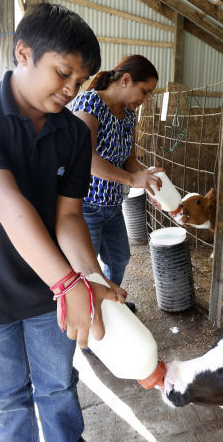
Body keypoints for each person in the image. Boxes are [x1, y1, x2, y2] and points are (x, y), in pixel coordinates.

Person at [0, 4, 125, 441]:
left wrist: (90, 274)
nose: (70, 91)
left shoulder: (74, 133)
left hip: (48, 298)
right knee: (7, 398)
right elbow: (6, 203)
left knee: (58, 388)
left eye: (78, 82)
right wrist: (69, 284)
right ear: (23, 53)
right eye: (63, 73)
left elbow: (69, 216)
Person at [70, 55, 163, 312]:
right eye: (144, 91)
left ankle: (109, 305)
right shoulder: (89, 103)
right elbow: (86, 158)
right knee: (88, 269)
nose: (145, 99)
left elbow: (130, 160)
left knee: (119, 258)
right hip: (85, 205)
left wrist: (147, 180)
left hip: (112, 204)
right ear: (125, 80)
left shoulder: (129, 116)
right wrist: (133, 179)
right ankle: (90, 314)